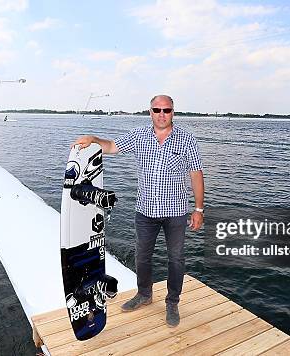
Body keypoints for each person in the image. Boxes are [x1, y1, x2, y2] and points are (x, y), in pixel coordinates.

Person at [73, 95, 205, 328]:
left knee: (176, 259)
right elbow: (112, 147)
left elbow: (196, 173)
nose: (162, 114)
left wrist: (198, 209)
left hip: (175, 212)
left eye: (166, 110)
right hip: (145, 212)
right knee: (142, 257)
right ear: (150, 111)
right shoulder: (139, 136)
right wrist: (94, 139)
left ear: (173, 112)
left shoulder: (187, 139)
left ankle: (172, 302)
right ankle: (144, 294)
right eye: (157, 110)